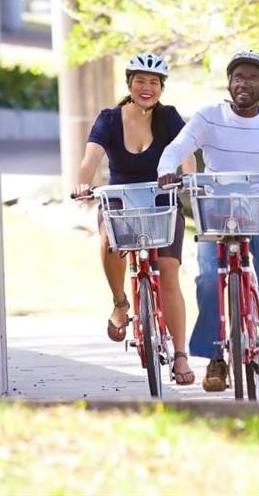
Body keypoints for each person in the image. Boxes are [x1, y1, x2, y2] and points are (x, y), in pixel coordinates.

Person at [157, 49, 259, 392]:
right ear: (229, 83)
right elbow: (176, 148)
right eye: (238, 77)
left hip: (258, 203)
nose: (243, 83)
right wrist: (167, 171)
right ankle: (215, 360)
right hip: (216, 208)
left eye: (252, 78)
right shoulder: (209, 117)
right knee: (209, 278)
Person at [72, 52, 196, 385]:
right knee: (108, 240)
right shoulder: (109, 119)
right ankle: (120, 303)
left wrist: (189, 179)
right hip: (121, 201)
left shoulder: (169, 118)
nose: (146, 88)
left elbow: (187, 156)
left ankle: (181, 355)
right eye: (140, 81)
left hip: (161, 201)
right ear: (129, 84)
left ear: (161, 88)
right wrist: (83, 181)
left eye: (154, 83)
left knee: (169, 271)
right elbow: (90, 157)